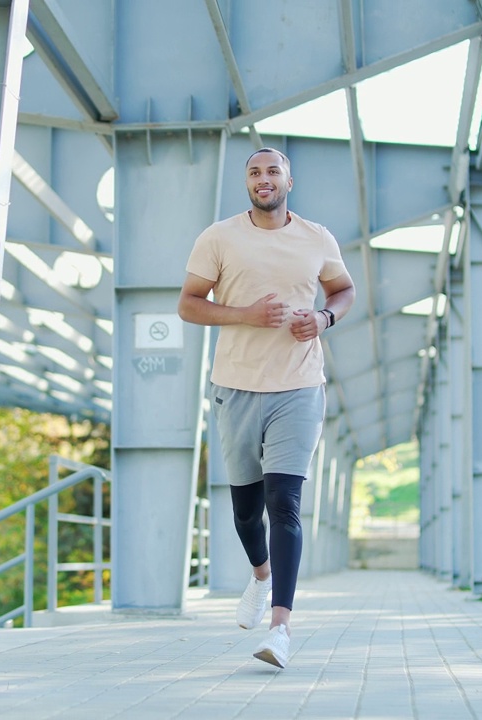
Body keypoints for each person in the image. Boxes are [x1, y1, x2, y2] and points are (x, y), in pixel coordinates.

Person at [177, 147, 355, 669]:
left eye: (272, 171)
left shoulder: (317, 238)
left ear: (288, 181)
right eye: (254, 172)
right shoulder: (219, 237)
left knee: (285, 502)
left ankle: (280, 628)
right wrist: (246, 316)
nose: (263, 179)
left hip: (299, 386)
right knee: (245, 511)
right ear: (247, 183)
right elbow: (188, 304)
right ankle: (260, 574)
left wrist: (323, 319)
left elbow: (343, 290)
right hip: (235, 386)